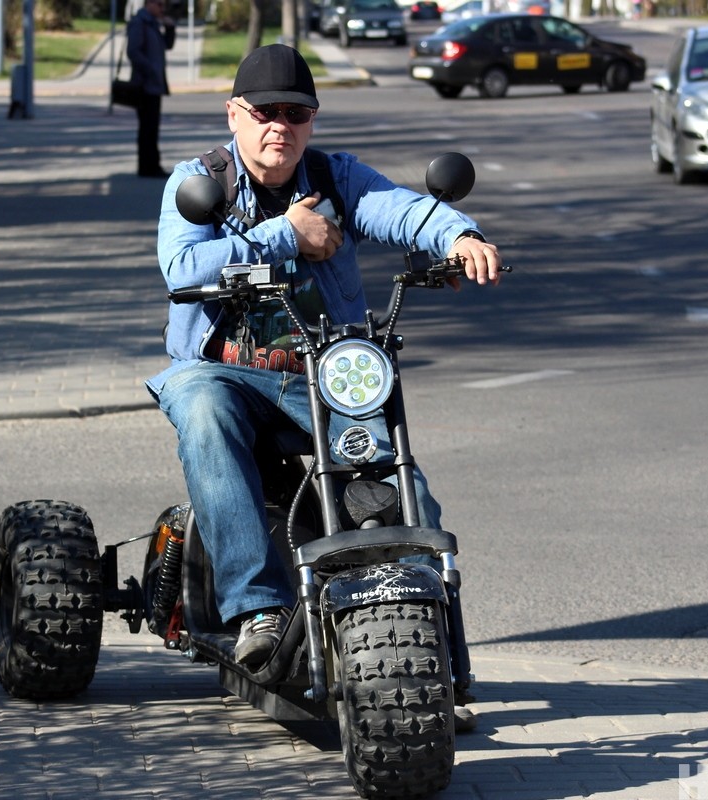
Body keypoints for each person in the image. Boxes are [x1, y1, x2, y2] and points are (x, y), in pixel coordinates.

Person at [146, 44, 503, 668]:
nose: (280, 125)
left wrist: (459, 235)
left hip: (320, 372)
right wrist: (289, 233)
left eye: (297, 112)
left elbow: (400, 208)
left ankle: (437, 655)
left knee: (396, 473)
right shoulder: (198, 182)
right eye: (264, 112)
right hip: (219, 372)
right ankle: (260, 608)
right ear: (235, 115)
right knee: (203, 412)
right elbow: (180, 266)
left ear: (312, 120)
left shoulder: (336, 177)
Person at [126, 0, 176, 177]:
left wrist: (170, 28)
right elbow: (133, 51)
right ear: (149, 4)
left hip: (154, 85)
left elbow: (167, 45)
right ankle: (147, 167)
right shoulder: (140, 23)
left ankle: (151, 165)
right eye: (160, 5)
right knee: (147, 128)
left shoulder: (153, 24)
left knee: (152, 127)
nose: (163, 9)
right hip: (144, 85)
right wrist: (151, 70)